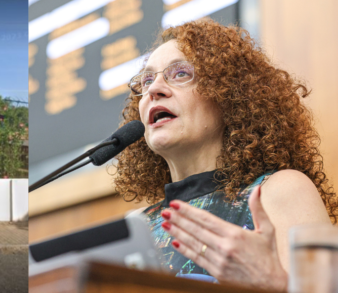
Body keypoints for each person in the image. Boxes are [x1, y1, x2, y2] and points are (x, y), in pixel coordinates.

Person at [114, 19, 336, 291]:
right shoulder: (136, 226)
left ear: (229, 94)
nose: (153, 90)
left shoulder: (280, 190)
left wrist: (274, 283)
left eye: (181, 73)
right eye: (147, 80)